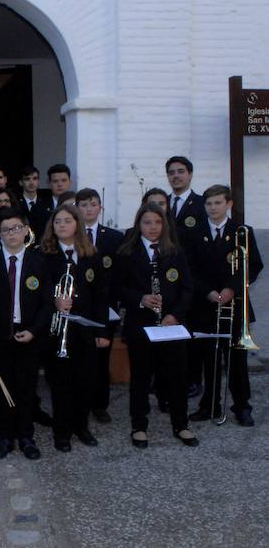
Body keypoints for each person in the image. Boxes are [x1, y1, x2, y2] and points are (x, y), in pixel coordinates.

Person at [116, 203, 198, 448]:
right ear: (139, 224)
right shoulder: (127, 253)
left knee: (176, 376)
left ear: (165, 225)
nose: (153, 227)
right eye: (147, 222)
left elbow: (187, 288)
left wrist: (175, 314)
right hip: (140, 325)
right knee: (141, 377)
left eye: (158, 222)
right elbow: (118, 288)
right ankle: (139, 426)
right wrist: (140, 299)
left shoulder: (174, 252)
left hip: (170, 325)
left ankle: (181, 424)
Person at [0, 208, 53, 460]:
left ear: (26, 230)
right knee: (2, 389)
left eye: (17, 228)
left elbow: (47, 303)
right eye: (6, 229)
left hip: (28, 335)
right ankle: (5, 436)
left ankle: (26, 435)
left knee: (26, 388)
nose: (12, 233)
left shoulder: (38, 261)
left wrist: (33, 330)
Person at [188, 185, 263, 427]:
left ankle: (242, 406)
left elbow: (253, 265)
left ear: (228, 204)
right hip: (206, 304)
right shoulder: (195, 232)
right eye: (209, 203)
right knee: (208, 359)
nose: (212, 208)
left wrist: (232, 287)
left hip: (236, 305)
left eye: (218, 203)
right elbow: (189, 269)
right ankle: (209, 404)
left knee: (237, 361)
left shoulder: (242, 231)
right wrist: (207, 291)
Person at [40, 205, 110, 452]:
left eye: (67, 221)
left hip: (85, 330)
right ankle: (62, 433)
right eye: (57, 221)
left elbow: (101, 295)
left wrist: (102, 331)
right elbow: (38, 288)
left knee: (86, 382)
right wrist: (54, 299)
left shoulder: (92, 255)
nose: (61, 225)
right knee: (60, 384)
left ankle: (81, 426)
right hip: (57, 331)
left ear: (77, 224)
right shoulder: (43, 255)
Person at [75, 188, 124, 423]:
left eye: (93, 204)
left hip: (106, 307)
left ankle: (100, 405)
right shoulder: (70, 236)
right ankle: (80, 402)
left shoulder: (114, 238)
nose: (88, 209)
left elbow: (120, 275)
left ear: (100, 208)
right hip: (78, 309)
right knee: (81, 358)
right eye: (83, 205)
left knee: (102, 357)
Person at [165, 156, 208, 398]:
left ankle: (193, 379)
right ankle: (167, 379)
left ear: (190, 174)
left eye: (181, 171)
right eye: (171, 172)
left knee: (191, 332)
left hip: (192, 279)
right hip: (167, 279)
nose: (176, 176)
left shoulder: (202, 204)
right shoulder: (163, 203)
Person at [18, 166, 52, 239]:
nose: (31, 182)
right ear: (21, 182)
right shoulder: (15, 203)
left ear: (39, 181)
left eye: (35, 178)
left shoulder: (47, 202)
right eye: (27, 179)